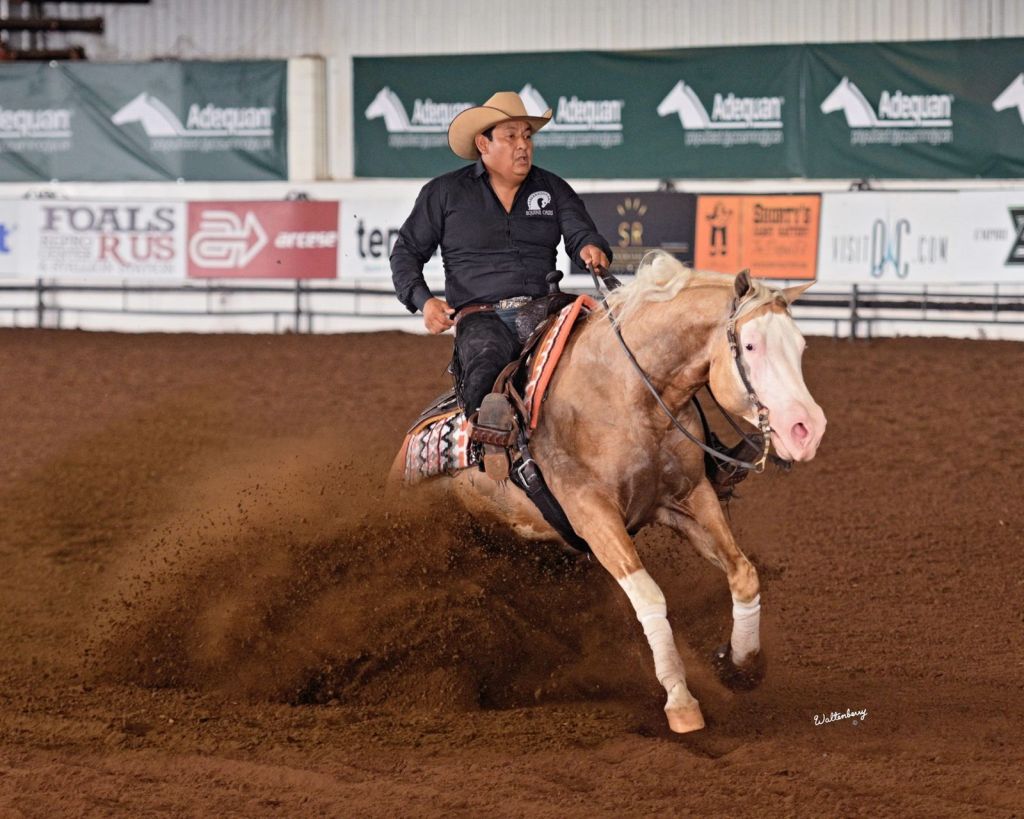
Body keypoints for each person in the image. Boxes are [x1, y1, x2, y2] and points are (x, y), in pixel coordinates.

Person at [391, 91, 612, 479]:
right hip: (481, 315)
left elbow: (580, 233)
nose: (523, 145)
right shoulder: (444, 194)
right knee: (485, 359)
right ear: (483, 143)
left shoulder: (553, 188)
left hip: (545, 308)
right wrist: (424, 302)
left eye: (527, 136)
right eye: (511, 137)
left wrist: (591, 248)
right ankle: (494, 451)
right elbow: (406, 253)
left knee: (603, 354)